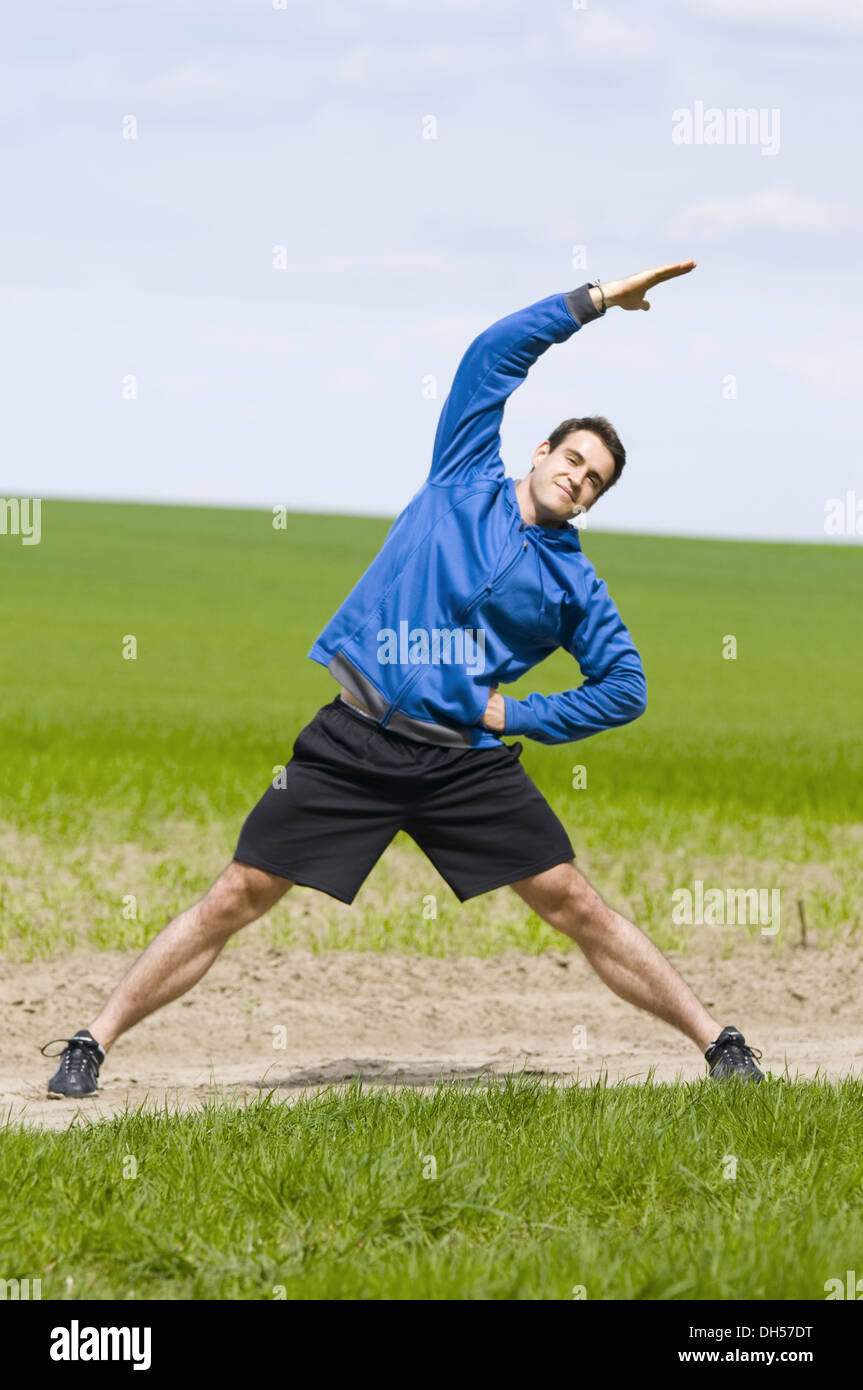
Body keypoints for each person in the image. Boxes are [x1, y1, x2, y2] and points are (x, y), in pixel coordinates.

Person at [43, 261, 764, 1097]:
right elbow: (491, 357)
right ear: (540, 452)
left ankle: (720, 1046)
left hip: (463, 761)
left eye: (592, 478)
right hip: (355, 738)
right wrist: (593, 303)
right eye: (570, 458)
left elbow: (624, 686)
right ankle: (91, 1043)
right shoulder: (459, 476)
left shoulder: (575, 586)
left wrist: (518, 713)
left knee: (575, 904)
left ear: (593, 501)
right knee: (238, 892)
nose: (576, 476)